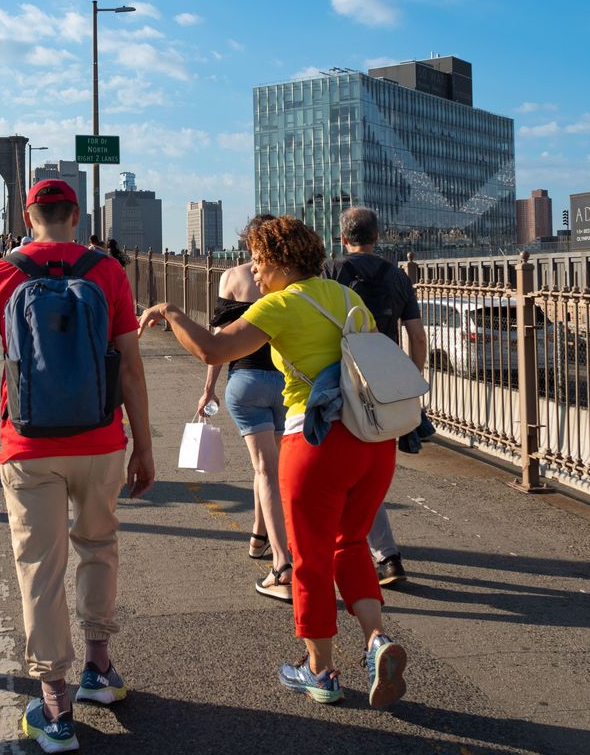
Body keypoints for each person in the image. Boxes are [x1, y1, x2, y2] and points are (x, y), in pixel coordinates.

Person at [139, 216, 408, 710]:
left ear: (283, 263)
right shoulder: (346, 297)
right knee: (350, 545)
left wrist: (171, 312)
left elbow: (213, 348)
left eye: (260, 263)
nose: (255, 275)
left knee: (308, 559)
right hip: (374, 443)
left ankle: (320, 670)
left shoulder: (280, 304)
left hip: (317, 442)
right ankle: (375, 640)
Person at [0, 178, 155, 753]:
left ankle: (54, 705)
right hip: (100, 443)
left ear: (27, 215)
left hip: (28, 446)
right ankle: (99, 668)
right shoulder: (108, 272)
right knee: (99, 545)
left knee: (39, 570)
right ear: (77, 215)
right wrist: (142, 445)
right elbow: (131, 371)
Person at [322, 206, 428, 588]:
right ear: (378, 236)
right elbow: (417, 336)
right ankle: (380, 552)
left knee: (346, 475)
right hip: (386, 390)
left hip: (344, 384)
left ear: (342, 237)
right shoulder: (397, 277)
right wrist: (412, 384)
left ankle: (381, 554)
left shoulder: (330, 273)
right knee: (370, 473)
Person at [196, 214, 292, 601]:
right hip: (287, 383)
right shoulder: (289, 279)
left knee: (263, 468)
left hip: (246, 380)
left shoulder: (233, 277)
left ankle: (264, 543)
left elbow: (219, 339)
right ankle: (264, 540)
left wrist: (208, 389)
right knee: (271, 469)